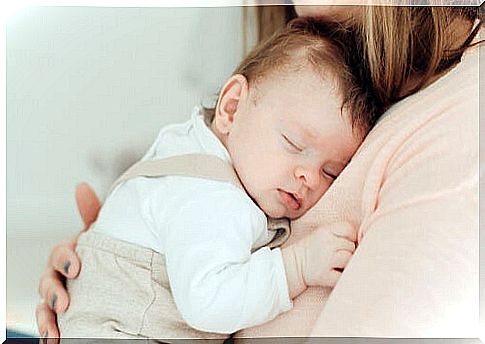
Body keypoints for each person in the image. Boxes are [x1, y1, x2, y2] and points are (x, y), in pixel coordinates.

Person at [37, 3, 482, 340]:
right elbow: (205, 294)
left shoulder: (461, 122)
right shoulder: (226, 177)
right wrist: (107, 261)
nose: (309, 178)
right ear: (232, 106)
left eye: (332, 171)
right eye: (292, 144)